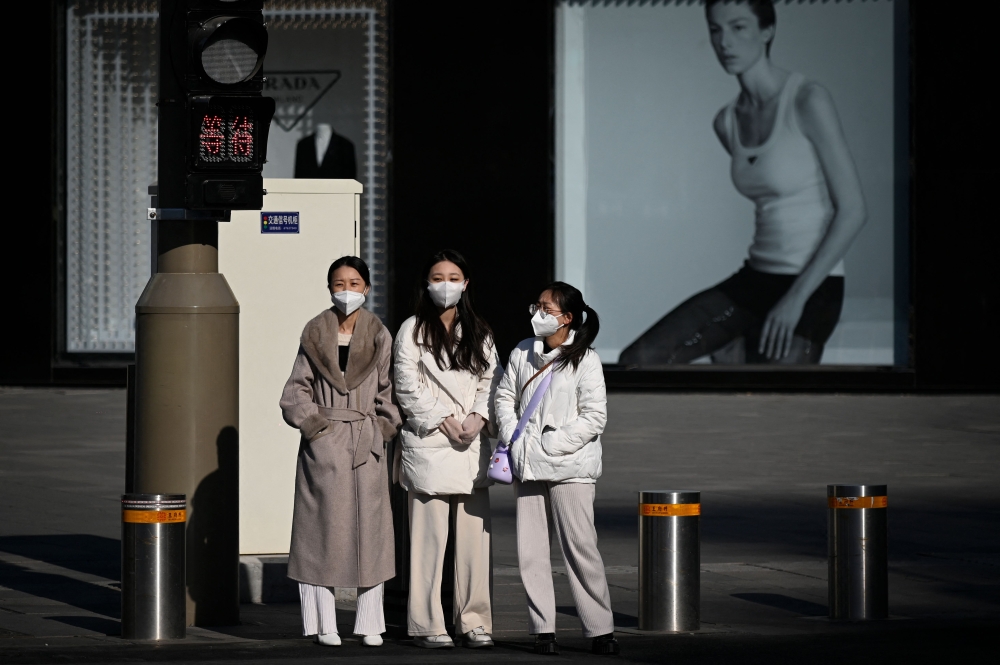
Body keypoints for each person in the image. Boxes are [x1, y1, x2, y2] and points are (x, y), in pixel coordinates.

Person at [619, 0, 867, 366]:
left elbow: (853, 210)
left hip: (814, 287)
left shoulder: (807, 99)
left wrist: (794, 300)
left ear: (767, 31)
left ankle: (741, 352)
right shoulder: (727, 122)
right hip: (755, 281)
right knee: (640, 361)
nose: (725, 43)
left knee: (768, 404)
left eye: (739, 28)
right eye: (716, 30)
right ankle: (737, 348)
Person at [279, 256, 402, 647]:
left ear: (366, 288)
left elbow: (390, 391)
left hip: (366, 441)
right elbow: (295, 390)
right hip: (325, 443)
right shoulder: (315, 333)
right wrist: (316, 429)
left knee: (373, 534)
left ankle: (370, 623)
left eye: (353, 283)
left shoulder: (380, 333)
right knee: (321, 533)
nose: (346, 290)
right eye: (338, 283)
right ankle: (322, 622)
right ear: (329, 288)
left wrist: (382, 429)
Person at [494, 282, 619, 656]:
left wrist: (550, 444)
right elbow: (504, 396)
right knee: (531, 550)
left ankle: (600, 629)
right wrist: (513, 438)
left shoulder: (586, 359)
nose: (538, 313)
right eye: (537, 306)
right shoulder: (521, 351)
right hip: (528, 464)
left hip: (570, 467)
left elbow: (594, 418)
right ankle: (542, 629)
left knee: (580, 546)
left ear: (567, 318)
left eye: (547, 308)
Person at [393, 249, 502, 649]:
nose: (445, 285)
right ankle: (426, 624)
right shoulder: (411, 330)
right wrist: (443, 419)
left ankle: (474, 622)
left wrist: (477, 417)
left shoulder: (480, 331)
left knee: (475, 544)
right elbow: (406, 385)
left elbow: (492, 382)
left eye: (453, 277)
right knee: (427, 544)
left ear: (466, 283)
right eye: (438, 277)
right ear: (425, 283)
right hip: (430, 445)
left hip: (470, 446)